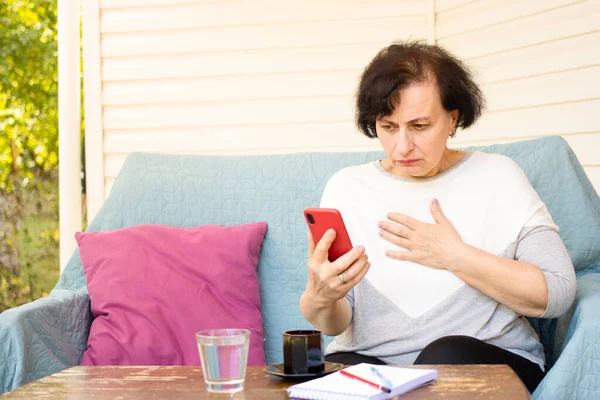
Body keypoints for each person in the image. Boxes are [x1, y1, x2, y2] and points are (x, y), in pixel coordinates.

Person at [299, 41, 576, 393]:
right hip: (375, 367)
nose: (402, 146)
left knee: (445, 354)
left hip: (482, 359)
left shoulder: (499, 176)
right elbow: (335, 325)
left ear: (452, 119)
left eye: (419, 125)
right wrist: (321, 296)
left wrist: (454, 256)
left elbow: (557, 292)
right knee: (338, 372)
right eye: (388, 126)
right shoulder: (347, 186)